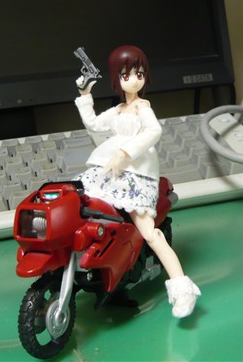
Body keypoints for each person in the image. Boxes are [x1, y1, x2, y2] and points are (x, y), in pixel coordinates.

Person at [74, 45, 200, 318]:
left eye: (139, 74)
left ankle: (182, 288)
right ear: (116, 79)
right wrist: (85, 95)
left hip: (136, 172)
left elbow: (154, 131)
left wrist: (125, 153)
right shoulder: (118, 110)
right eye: (126, 75)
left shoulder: (142, 108)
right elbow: (94, 124)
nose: (134, 80)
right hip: (110, 171)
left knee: (149, 231)